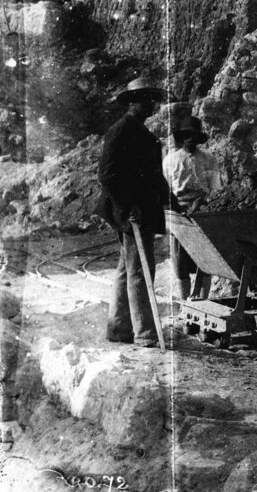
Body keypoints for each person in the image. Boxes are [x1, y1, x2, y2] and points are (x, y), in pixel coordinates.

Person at [96, 77, 170, 347]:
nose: (153, 105)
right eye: (148, 100)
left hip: (139, 208)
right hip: (132, 211)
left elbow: (152, 174)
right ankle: (145, 333)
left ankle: (119, 328)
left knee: (127, 269)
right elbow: (107, 175)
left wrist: (170, 199)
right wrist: (128, 207)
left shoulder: (139, 130)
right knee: (140, 270)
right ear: (134, 102)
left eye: (153, 100)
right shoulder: (121, 130)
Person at [161, 115, 226, 301]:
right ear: (182, 138)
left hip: (202, 212)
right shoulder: (170, 160)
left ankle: (203, 301)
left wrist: (204, 203)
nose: (190, 139)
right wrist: (174, 210)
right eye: (186, 135)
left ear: (198, 138)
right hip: (178, 213)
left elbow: (216, 188)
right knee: (179, 261)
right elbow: (165, 190)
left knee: (205, 260)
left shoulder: (208, 159)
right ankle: (184, 304)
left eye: (194, 136)